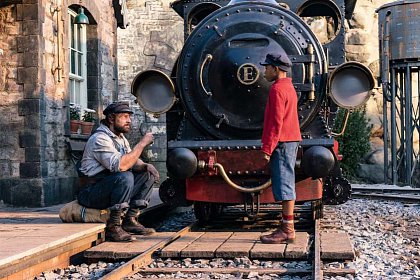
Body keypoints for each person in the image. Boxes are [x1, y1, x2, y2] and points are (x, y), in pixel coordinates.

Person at [77, 101, 160, 242]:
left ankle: (129, 220)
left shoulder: (120, 138)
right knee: (125, 176)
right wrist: (142, 144)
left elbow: (132, 160)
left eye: (130, 117)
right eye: (125, 117)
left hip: (109, 187)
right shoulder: (100, 139)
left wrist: (146, 165)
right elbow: (121, 166)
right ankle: (113, 227)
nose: (129, 121)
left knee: (147, 174)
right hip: (91, 193)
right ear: (111, 118)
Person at [259, 52, 302, 244]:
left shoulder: (277, 90)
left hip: (282, 141)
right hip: (289, 140)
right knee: (286, 182)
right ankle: (286, 227)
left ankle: (287, 230)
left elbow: (275, 123)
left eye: (267, 67)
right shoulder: (289, 87)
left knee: (284, 184)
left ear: (276, 69)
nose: (264, 71)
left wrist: (267, 148)